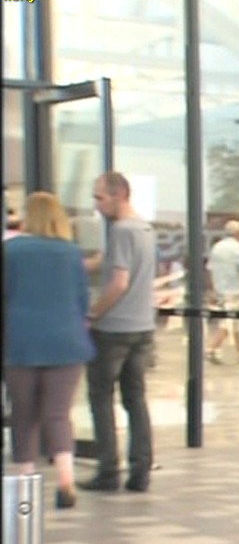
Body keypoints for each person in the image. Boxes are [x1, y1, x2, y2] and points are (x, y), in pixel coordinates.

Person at [3, 192, 95, 509]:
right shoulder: (71, 253)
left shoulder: (10, 250)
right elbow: (82, 299)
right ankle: (66, 482)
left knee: (23, 414)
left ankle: (26, 479)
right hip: (67, 343)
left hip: (21, 342)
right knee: (58, 414)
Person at [79, 171, 157, 493]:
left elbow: (119, 282)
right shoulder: (145, 229)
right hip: (142, 327)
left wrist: (93, 313)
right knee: (135, 399)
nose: (96, 205)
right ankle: (141, 470)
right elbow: (109, 262)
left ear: (119, 194)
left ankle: (108, 469)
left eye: (100, 197)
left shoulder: (121, 231)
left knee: (100, 397)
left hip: (113, 329)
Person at [205, 219, 239, 364]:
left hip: (219, 291)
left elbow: (209, 270)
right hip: (235, 292)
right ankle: (211, 349)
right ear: (238, 232)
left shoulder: (216, 248)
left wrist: (211, 290)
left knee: (236, 323)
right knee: (228, 323)